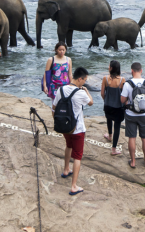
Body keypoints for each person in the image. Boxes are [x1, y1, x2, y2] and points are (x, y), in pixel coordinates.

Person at [52, 67, 93, 196]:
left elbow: (54, 108)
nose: (84, 83)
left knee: (68, 146)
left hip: (65, 127)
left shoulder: (61, 89)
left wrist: (59, 122)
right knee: (78, 156)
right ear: (80, 79)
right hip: (78, 129)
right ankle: (74, 186)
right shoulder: (80, 93)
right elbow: (91, 103)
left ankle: (65, 170)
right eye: (84, 81)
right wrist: (86, 91)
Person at [120, 62, 145, 169]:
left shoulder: (128, 83)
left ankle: (133, 162)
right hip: (144, 114)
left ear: (132, 71)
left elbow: (122, 100)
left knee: (132, 137)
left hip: (131, 114)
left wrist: (127, 103)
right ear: (141, 70)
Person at [101, 60, 125, 156]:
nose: (108, 67)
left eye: (109, 66)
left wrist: (106, 100)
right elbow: (124, 95)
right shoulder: (122, 80)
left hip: (108, 105)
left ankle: (109, 135)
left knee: (109, 119)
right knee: (117, 126)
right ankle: (114, 149)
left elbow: (102, 93)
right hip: (118, 107)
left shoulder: (105, 79)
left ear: (111, 68)